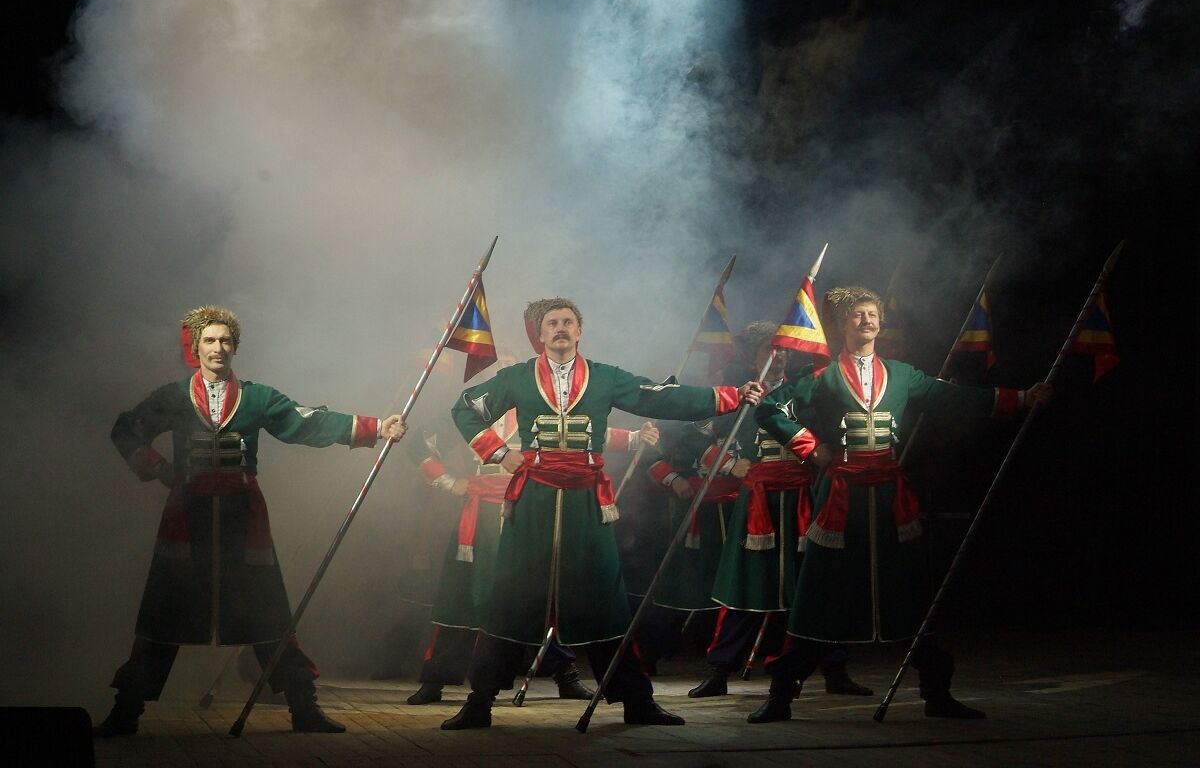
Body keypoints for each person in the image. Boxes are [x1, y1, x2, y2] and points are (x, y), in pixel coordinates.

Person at [440, 297, 763, 729]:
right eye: (551, 323)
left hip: (587, 503)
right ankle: (479, 703)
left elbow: (659, 397)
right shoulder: (515, 377)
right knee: (511, 599)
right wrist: (498, 452)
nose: (560, 328)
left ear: (579, 331)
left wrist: (730, 396)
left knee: (605, 602)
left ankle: (637, 702)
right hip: (533, 501)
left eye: (567, 322)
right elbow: (465, 408)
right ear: (539, 334)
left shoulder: (605, 377)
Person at [93, 305, 406, 737]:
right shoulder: (172, 397)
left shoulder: (257, 398)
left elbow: (305, 421)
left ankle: (304, 709)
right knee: (164, 614)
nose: (218, 347)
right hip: (187, 520)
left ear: (235, 347)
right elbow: (127, 428)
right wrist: (161, 469)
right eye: (209, 340)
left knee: (269, 615)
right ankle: (125, 712)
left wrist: (375, 427)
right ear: (196, 347)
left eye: (225, 340)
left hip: (243, 519)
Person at [748, 287, 1052, 723]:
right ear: (842, 324)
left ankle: (936, 693)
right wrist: (811, 448)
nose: (867, 321)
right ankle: (781, 695)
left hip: (891, 500)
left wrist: (1020, 398)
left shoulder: (903, 374)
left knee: (907, 595)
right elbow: (769, 409)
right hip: (841, 501)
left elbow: (953, 397)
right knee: (822, 596)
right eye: (858, 315)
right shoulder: (820, 376)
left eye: (872, 314)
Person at [408, 352, 659, 705]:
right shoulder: (472, 414)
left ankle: (564, 673)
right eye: (499, 370)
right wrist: (450, 483)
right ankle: (438, 679)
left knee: (544, 593)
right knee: (465, 596)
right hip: (481, 518)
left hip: (530, 511)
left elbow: (583, 434)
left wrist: (634, 438)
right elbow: (418, 443)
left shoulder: (538, 408)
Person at [695, 322, 870, 698]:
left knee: (816, 586)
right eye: (771, 351)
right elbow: (692, 440)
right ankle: (719, 671)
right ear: (754, 357)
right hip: (757, 503)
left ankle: (835, 670)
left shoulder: (808, 393)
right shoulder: (739, 397)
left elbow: (835, 432)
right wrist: (730, 464)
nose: (779, 358)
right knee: (745, 587)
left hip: (804, 498)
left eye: (784, 351)